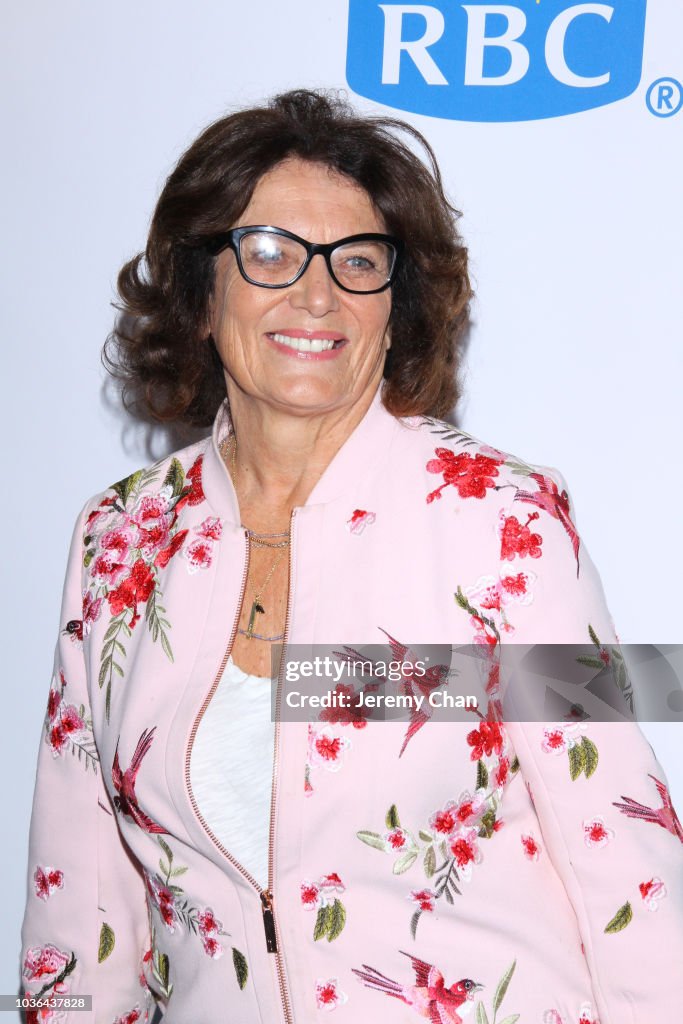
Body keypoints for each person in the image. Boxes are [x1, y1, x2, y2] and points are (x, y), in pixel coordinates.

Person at [20, 89, 682, 1024]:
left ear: (393, 307)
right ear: (200, 294)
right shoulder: (120, 536)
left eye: (358, 262)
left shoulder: (504, 518)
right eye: (269, 253)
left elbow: (623, 854)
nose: (316, 292)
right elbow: (79, 886)